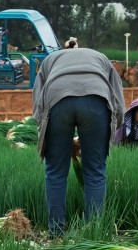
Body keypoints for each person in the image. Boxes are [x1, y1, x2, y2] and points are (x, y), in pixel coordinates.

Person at [33, 48, 125, 236]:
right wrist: (104, 132)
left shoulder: (50, 60)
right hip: (96, 98)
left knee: (55, 172)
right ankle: (93, 231)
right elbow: (118, 104)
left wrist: (51, 134)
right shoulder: (102, 58)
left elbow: (38, 106)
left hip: (57, 100)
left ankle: (56, 232)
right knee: (95, 171)